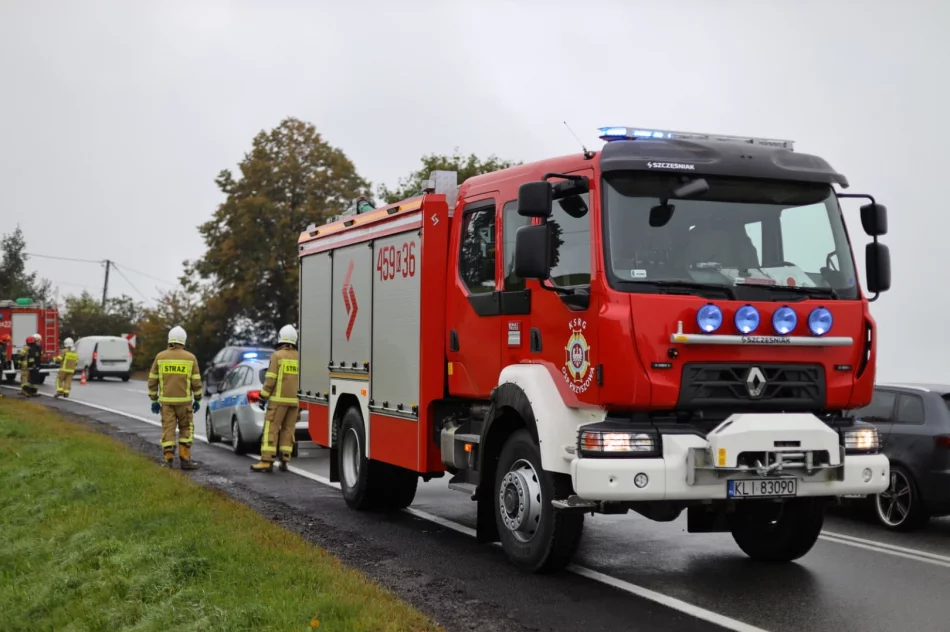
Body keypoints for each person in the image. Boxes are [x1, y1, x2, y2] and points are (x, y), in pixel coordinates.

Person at [147, 325, 202, 470]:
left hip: (166, 403)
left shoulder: (160, 357)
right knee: (185, 428)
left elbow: (153, 379)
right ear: (184, 340)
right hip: (185, 403)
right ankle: (185, 459)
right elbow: (196, 381)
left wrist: (154, 399)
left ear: (169, 340)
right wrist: (198, 398)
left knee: (168, 429)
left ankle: (168, 459)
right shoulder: (190, 358)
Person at [251, 324, 300, 473]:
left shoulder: (277, 356)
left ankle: (267, 460)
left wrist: (262, 397)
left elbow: (270, 380)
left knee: (271, 430)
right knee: (288, 430)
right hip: (295, 402)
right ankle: (284, 459)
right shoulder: (300, 357)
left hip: (278, 402)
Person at [0, 334, 9, 398]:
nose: (8, 343)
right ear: (4, 341)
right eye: (7, 341)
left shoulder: (2, 347)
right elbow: (2, 357)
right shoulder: (1, 347)